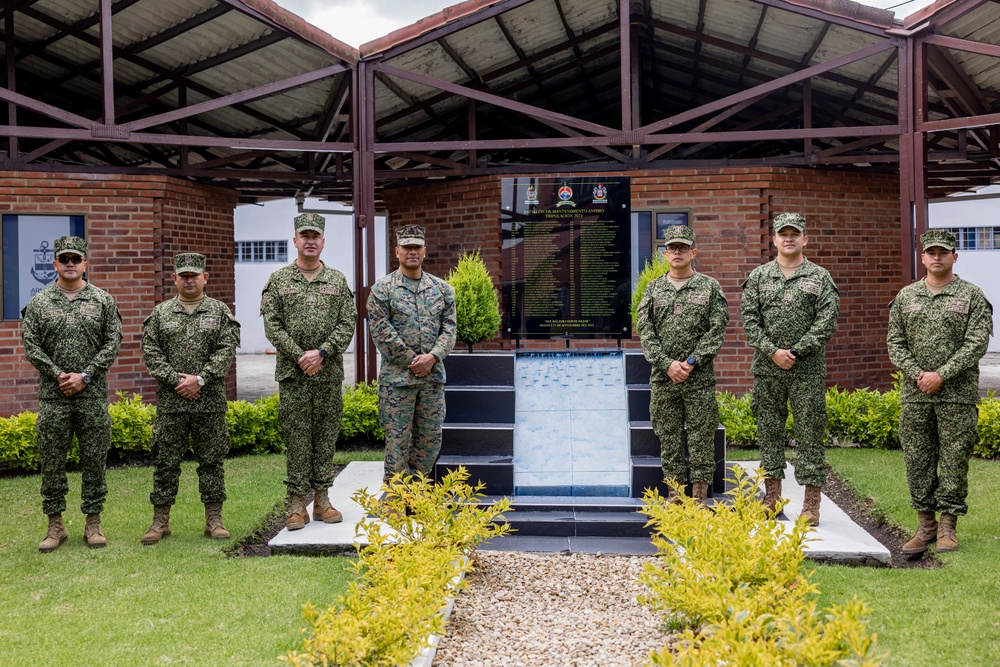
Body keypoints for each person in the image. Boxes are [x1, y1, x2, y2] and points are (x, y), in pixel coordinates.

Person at [888, 229, 992, 554]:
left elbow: (976, 342)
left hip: (956, 395)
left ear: (954, 257)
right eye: (931, 252)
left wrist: (942, 375)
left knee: (953, 460)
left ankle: (948, 525)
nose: (936, 257)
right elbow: (895, 342)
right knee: (918, 459)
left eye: (943, 252)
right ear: (922, 257)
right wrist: (920, 374)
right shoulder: (905, 297)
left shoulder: (972, 296)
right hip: (916, 393)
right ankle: (925, 525)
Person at [21, 235, 122, 552]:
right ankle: (55, 525)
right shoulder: (39, 303)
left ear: (84, 264)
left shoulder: (103, 301)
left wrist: (86, 375)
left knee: (94, 461)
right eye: (64, 259)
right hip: (54, 398)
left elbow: (112, 343)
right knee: (51, 463)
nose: (69, 264)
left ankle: (93, 522)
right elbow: (31, 346)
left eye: (75, 259)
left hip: (91, 397)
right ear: (55, 264)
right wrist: (58, 375)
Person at [740, 212, 839, 525]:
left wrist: (795, 351)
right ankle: (771, 497)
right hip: (768, 371)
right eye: (783, 233)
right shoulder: (758, 277)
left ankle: (811, 504)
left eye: (795, 233)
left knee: (810, 433)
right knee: (769, 432)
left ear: (805, 239)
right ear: (774, 240)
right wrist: (773, 351)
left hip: (806, 370)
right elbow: (750, 320)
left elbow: (827, 321)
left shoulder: (820, 277)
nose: (789, 238)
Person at [261, 213, 357, 530]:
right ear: (295, 241)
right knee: (297, 438)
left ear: (323, 242)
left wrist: (322, 353)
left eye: (316, 236)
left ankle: (323, 500)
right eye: (305, 235)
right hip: (293, 375)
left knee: (325, 438)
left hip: (328, 374)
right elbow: (272, 326)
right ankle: (296, 503)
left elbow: (347, 323)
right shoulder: (278, 281)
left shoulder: (338, 281)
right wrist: (301, 356)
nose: (310, 240)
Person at [139, 253, 240, 545]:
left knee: (212, 461)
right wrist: (177, 381)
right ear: (175, 279)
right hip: (172, 403)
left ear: (204, 277)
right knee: (165, 462)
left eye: (194, 275)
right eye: (183, 275)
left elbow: (225, 350)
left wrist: (201, 379)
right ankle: (160, 521)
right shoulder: (160, 314)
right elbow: (151, 353)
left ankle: (214, 519)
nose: (189, 280)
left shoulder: (219, 312)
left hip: (209, 401)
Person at [637, 225, 729, 506]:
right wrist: (667, 365)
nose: (677, 253)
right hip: (664, 379)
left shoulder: (710, 287)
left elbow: (717, 329)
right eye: (672, 248)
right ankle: (676, 495)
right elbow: (645, 330)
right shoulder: (653, 289)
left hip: (698, 378)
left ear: (693, 252)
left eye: (683, 248)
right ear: (665, 254)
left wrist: (690, 362)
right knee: (669, 437)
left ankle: (699, 496)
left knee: (702, 436)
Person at [367, 225, 456, 486]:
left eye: (417, 247)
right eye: (407, 247)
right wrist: (412, 361)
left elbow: (449, 329)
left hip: (432, 379)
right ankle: (395, 497)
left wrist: (432, 357)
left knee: (429, 439)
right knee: (397, 441)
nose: (412, 251)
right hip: (398, 382)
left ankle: (417, 495)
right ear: (397, 251)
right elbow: (382, 332)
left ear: (425, 251)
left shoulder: (442, 289)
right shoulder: (382, 290)